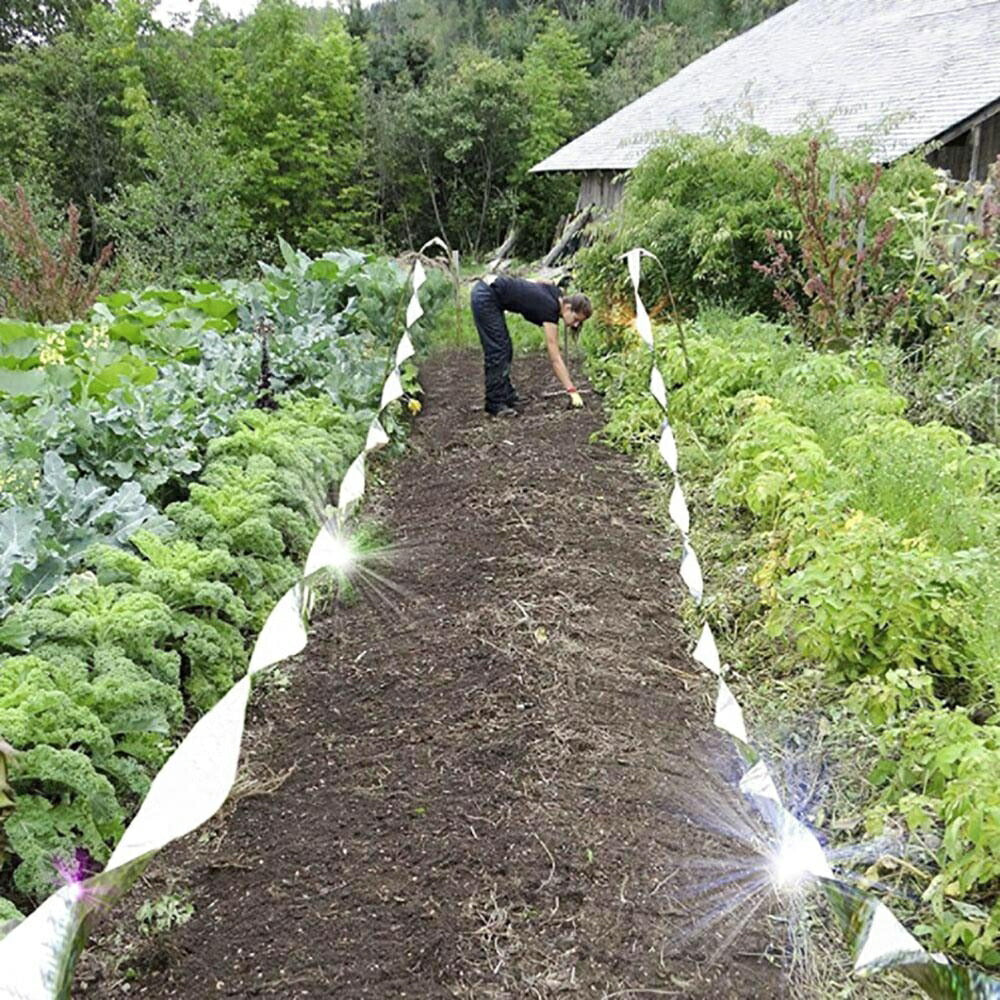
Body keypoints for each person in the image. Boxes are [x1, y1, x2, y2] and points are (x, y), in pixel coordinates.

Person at [470, 273, 592, 417]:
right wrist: (571, 390)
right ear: (568, 307)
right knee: (498, 349)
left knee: (505, 347)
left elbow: (539, 281)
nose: (576, 324)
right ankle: (495, 403)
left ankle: (506, 394)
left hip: (491, 289)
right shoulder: (550, 308)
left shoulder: (556, 294)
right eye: (576, 319)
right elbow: (555, 358)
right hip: (486, 295)